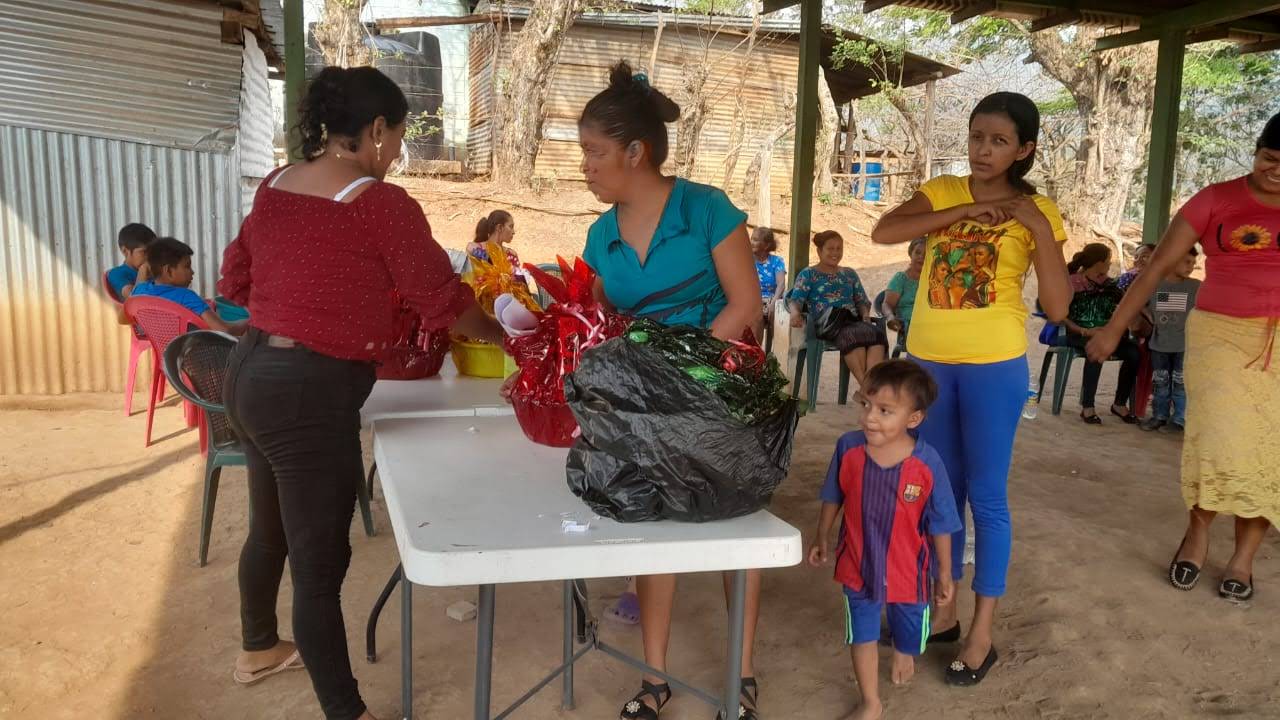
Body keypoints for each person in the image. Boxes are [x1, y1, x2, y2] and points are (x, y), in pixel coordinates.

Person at [218, 66, 502, 720]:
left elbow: (236, 280)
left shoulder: (276, 184)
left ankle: (259, 647)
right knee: (321, 566)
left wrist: (315, 301)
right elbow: (442, 302)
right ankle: (348, 713)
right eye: (397, 138)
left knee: (270, 531)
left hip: (251, 374)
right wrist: (508, 336)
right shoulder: (379, 203)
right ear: (375, 130)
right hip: (306, 395)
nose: (397, 153)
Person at [574, 61, 762, 720]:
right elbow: (596, 314)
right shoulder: (601, 236)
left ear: (636, 152)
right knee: (654, 528)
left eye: (595, 153)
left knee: (736, 526)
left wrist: (687, 374)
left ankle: (740, 673)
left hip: (721, 383)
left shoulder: (706, 210)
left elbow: (744, 305)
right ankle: (654, 679)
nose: (587, 166)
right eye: (584, 153)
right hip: (647, 401)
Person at [870, 92, 1072, 685]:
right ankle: (946, 607)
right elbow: (886, 230)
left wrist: (1035, 225)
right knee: (939, 492)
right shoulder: (943, 192)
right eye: (976, 136)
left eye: (999, 141)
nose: (983, 150)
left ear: (1024, 150)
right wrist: (955, 217)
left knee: (985, 497)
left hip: (993, 367)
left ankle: (983, 633)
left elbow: (1058, 306)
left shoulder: (1042, 212)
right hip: (929, 367)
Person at [1088, 112, 1280, 603]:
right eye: (1268, 158)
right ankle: (1197, 536)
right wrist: (1113, 330)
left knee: (1268, 452)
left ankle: (1243, 558)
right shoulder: (1216, 199)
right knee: (1214, 439)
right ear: (1255, 151)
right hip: (1220, 336)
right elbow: (1152, 272)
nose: (1275, 170)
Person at [807, 360, 961, 720]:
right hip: (856, 564)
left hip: (910, 572)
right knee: (861, 636)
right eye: (865, 404)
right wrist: (822, 536)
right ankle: (870, 703)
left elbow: (941, 523)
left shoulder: (927, 464)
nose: (869, 418)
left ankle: (905, 649)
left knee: (909, 634)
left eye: (884, 411)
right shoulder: (848, 448)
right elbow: (834, 495)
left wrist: (945, 574)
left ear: (914, 419)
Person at [787, 230, 888, 387]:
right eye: (830, 248)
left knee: (877, 335)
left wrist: (866, 316)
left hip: (851, 322)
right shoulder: (809, 274)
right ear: (820, 251)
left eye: (839, 248)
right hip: (826, 325)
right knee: (854, 336)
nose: (835, 253)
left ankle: (869, 387)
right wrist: (795, 313)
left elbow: (862, 300)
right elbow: (795, 300)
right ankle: (868, 389)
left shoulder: (849, 274)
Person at [1057, 243, 1139, 425]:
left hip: (1104, 334)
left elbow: (1126, 306)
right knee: (1095, 350)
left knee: (1134, 353)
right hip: (1077, 333)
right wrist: (1085, 330)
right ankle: (1088, 407)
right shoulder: (1071, 282)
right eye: (1108, 261)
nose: (1110, 265)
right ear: (1099, 262)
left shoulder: (1109, 284)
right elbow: (1059, 315)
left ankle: (1119, 404)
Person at [131, 237, 246, 335]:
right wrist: (251, 323)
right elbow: (224, 330)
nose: (192, 272)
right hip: (197, 355)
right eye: (187, 266)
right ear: (169, 271)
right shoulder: (186, 297)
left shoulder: (139, 291)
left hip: (162, 353)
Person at [1140, 247, 1201, 433]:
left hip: (1184, 345)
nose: (1191, 266)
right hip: (1159, 344)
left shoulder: (1196, 287)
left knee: (1181, 383)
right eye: (1187, 262)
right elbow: (1138, 303)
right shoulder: (1154, 285)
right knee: (1160, 382)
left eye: (1193, 263)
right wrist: (1149, 316)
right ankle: (1159, 416)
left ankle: (1179, 419)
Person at [883, 237, 925, 351]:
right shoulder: (901, 279)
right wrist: (890, 317)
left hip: (930, 323)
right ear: (910, 253)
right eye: (917, 252)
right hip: (909, 327)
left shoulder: (933, 280)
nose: (921, 257)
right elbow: (887, 304)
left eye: (926, 254)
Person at [106, 222, 157, 300]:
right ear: (125, 251)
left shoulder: (154, 270)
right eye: (144, 252)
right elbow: (135, 299)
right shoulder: (116, 274)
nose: (150, 256)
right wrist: (143, 272)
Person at [752, 226, 786, 341]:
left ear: (766, 245)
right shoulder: (747, 259)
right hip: (753, 299)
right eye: (752, 239)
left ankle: (771, 351)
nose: (751, 242)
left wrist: (773, 303)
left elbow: (781, 284)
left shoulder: (777, 261)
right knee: (756, 314)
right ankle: (756, 351)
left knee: (775, 311)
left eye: (755, 240)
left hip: (771, 299)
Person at [467, 209, 523, 274]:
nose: (513, 232)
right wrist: (493, 260)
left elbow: (519, 281)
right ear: (500, 227)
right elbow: (470, 248)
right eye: (511, 227)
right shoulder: (475, 247)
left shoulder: (511, 254)